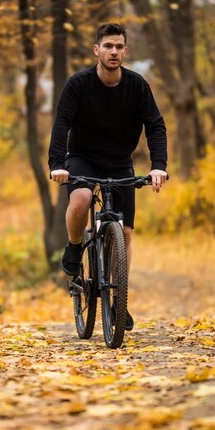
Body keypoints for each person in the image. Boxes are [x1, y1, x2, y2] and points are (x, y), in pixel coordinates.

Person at [48, 23, 167, 330]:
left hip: (119, 161)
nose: (114, 52)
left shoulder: (137, 86)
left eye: (119, 47)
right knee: (83, 197)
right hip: (82, 158)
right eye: (108, 46)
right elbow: (62, 123)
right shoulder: (78, 84)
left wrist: (158, 165)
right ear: (97, 50)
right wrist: (56, 163)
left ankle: (118, 301)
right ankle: (75, 246)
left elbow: (155, 125)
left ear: (125, 51)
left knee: (124, 233)